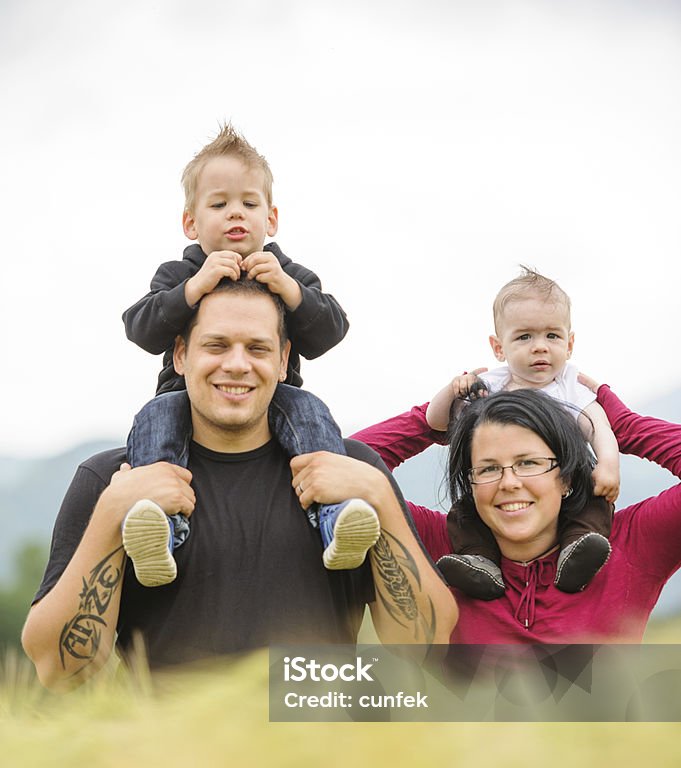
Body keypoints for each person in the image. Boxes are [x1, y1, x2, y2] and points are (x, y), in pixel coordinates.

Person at [22, 279, 457, 690]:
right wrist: (111, 515)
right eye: (216, 345)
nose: (236, 363)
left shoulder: (352, 472)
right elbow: (59, 673)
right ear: (180, 355)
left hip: (323, 758)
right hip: (162, 761)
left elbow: (424, 647)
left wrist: (380, 496)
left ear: (283, 360)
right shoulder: (113, 480)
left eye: (257, 348)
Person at [121, 122, 378, 586]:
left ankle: (337, 519)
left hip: (275, 395)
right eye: (219, 204)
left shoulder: (289, 272)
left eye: (248, 203)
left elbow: (330, 330)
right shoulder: (180, 271)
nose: (235, 213)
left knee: (313, 414)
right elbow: (138, 327)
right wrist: (192, 288)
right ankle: (158, 528)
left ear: (271, 219)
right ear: (191, 223)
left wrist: (289, 288)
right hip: (186, 398)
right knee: (153, 419)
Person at [353, 378, 681, 644]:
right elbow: (339, 466)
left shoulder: (630, 543)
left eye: (528, 463)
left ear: (566, 476)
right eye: (488, 469)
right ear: (471, 483)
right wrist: (430, 423)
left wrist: (622, 428)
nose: (509, 482)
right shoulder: (435, 546)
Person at [425, 269, 619, 599]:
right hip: (504, 491)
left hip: (573, 479)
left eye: (552, 337)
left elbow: (599, 427)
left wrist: (608, 465)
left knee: (595, 506)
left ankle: (577, 553)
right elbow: (435, 422)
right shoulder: (494, 383)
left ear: (570, 343)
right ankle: (479, 562)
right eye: (524, 337)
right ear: (498, 347)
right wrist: (452, 390)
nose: (539, 348)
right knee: (463, 513)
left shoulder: (571, 386)